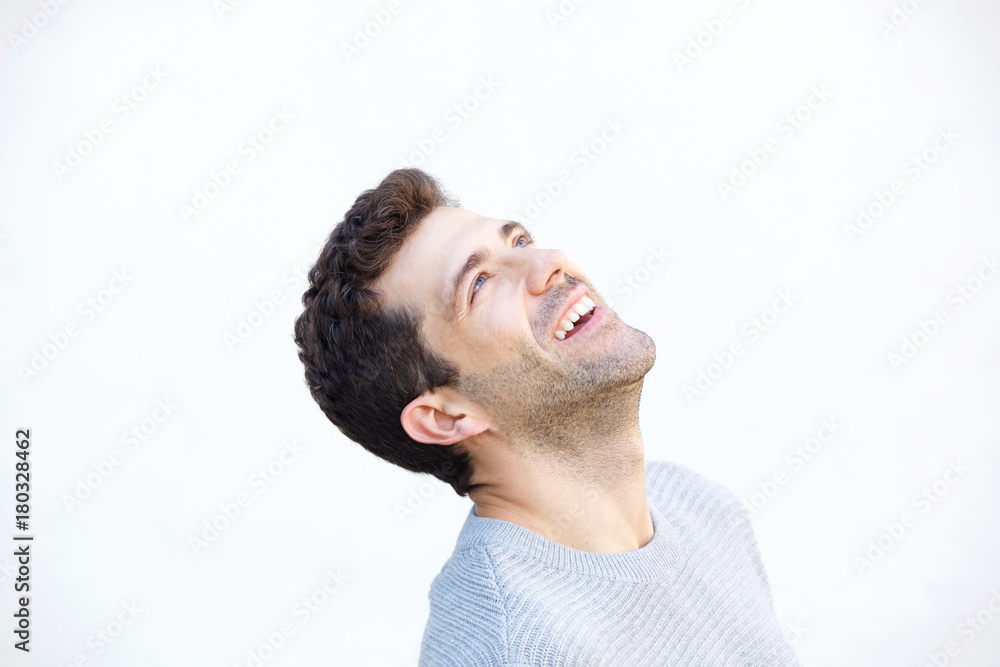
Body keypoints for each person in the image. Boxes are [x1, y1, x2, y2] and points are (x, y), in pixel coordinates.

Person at [293, 168, 802, 666]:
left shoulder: (701, 509)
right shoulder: (508, 647)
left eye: (518, 242)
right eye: (481, 283)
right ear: (445, 417)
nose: (550, 262)